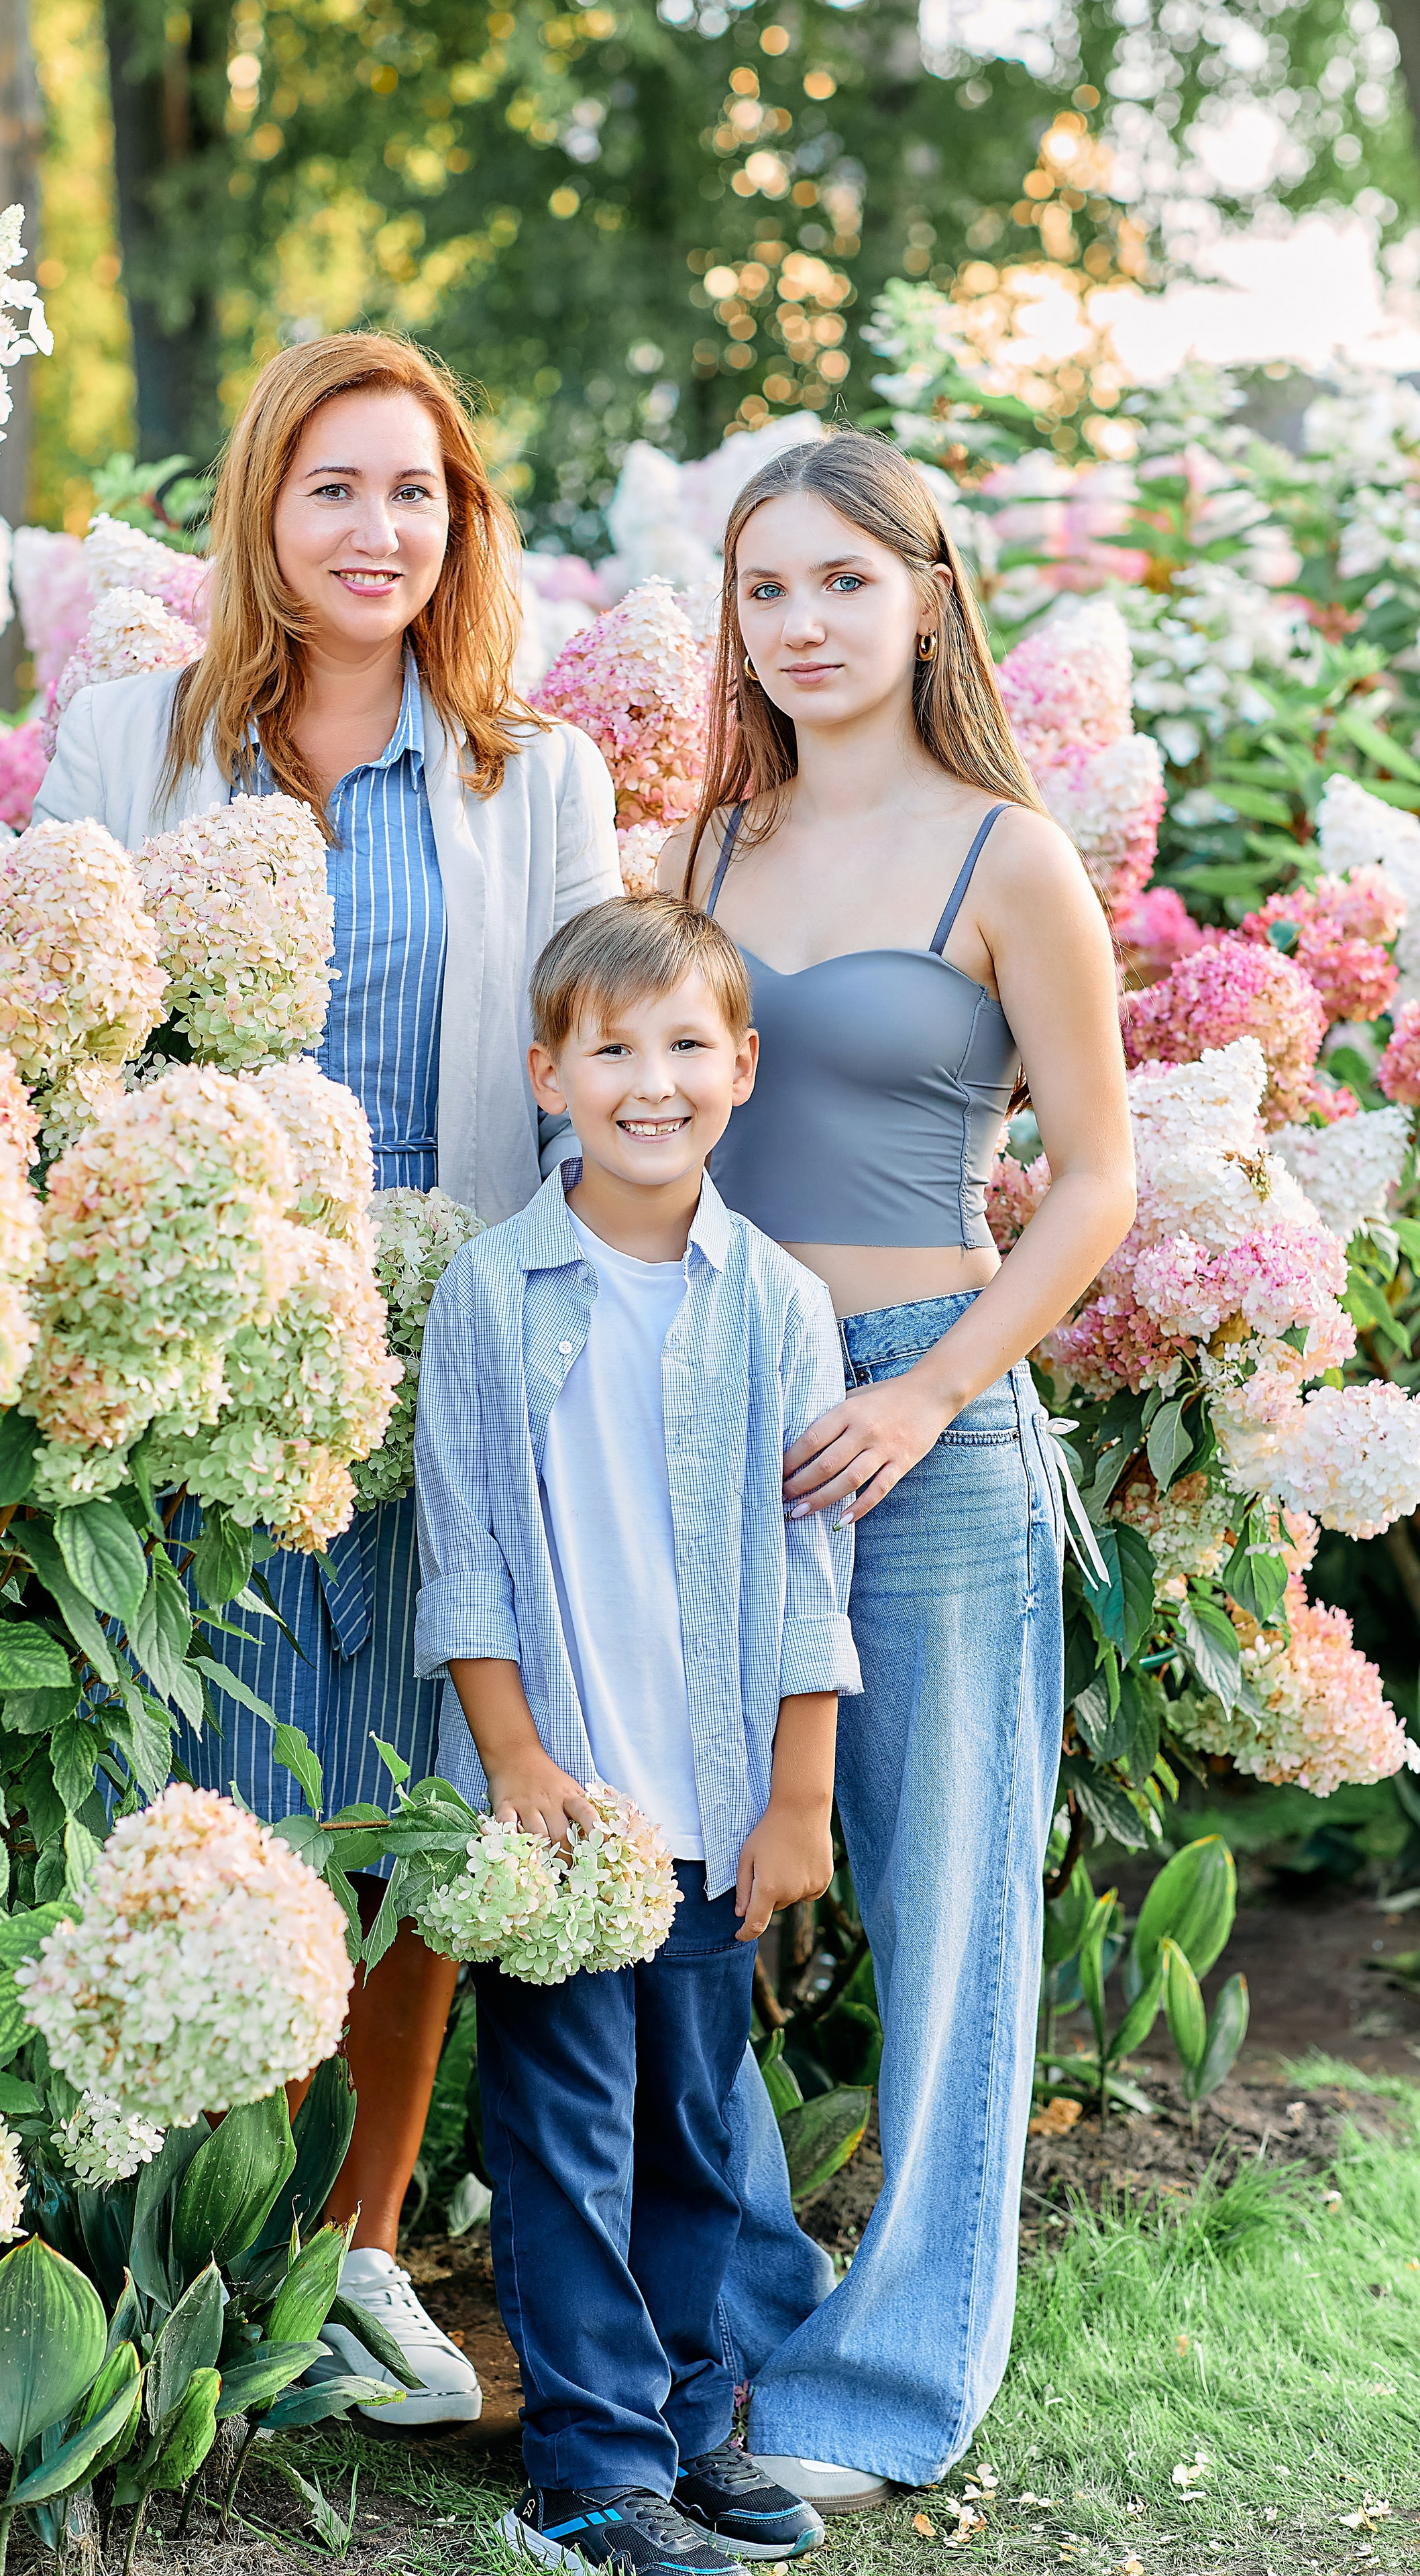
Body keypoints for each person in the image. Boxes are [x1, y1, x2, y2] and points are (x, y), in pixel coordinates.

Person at [32, 331, 621, 2422]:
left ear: (461, 527)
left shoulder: (532, 777)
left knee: (415, 1802)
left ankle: (358, 2250)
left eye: (419, 494)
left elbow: (580, 1088)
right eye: (337, 489)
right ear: (264, 516)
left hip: (442, 1361)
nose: (381, 531)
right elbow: (70, 1043)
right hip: (204, 1365)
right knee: (207, 1794)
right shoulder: (130, 742)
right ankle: (183, 2261)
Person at [655, 429, 1136, 2510]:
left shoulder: (1007, 856)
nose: (805, 625)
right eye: (768, 590)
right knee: (680, 1890)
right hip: (713, 1414)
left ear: (929, 594)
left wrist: (932, 1393)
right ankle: (750, 2315)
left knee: (945, 1915)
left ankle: (889, 2386)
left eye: (844, 581)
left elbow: (1098, 1187)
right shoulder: (701, 858)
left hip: (921, 1431)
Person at [413, 893, 860, 2574]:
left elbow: (814, 1580)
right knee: (565, 2133)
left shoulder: (778, 1306)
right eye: (612, 1048)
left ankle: (692, 2428)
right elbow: (461, 1556)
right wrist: (516, 1764)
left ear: (739, 1068)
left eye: (685, 1045)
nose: (649, 1080)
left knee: (694, 2126)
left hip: (717, 1803)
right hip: (562, 1826)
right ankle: (591, 2468)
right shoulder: (491, 1290)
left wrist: (795, 1796)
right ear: (550, 1070)